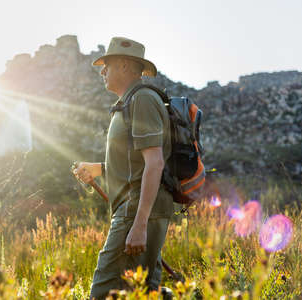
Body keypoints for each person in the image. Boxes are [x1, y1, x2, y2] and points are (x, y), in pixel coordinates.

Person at [73, 37, 173, 300]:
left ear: (126, 65)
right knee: (144, 293)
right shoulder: (130, 102)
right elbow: (137, 164)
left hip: (135, 212)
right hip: (140, 211)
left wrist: (139, 224)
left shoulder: (142, 100)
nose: (102, 71)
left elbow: (155, 163)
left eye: (108, 65)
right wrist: (99, 169)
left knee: (104, 293)